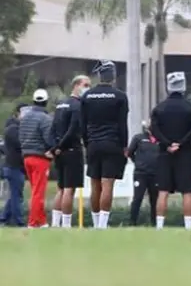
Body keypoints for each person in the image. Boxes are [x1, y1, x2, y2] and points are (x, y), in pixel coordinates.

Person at [81, 60, 129, 229]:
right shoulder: (120, 96)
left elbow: (83, 123)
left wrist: (87, 143)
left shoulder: (87, 96)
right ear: (113, 76)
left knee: (95, 184)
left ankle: (95, 224)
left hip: (93, 143)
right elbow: (123, 124)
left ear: (99, 75)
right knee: (107, 183)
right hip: (112, 143)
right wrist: (125, 145)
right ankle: (103, 225)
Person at [150, 72, 191, 230]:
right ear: (184, 86)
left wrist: (167, 144)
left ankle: (159, 225)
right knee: (187, 192)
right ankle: (187, 226)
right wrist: (181, 143)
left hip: (164, 154)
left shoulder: (159, 108)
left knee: (163, 191)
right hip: (185, 153)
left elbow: (154, 129)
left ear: (168, 86)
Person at [49, 75, 89, 228]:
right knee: (69, 189)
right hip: (71, 150)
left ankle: (54, 223)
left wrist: (54, 148)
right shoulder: (77, 105)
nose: (87, 88)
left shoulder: (60, 105)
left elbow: (52, 129)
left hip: (60, 153)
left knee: (61, 188)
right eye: (85, 85)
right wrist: (60, 146)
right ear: (76, 85)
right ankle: (65, 225)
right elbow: (73, 129)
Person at [19, 89, 56, 228]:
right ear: (45, 102)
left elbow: (20, 137)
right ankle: (33, 222)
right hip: (40, 158)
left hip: (26, 157)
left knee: (35, 190)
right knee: (38, 192)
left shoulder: (24, 118)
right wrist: (52, 150)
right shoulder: (45, 118)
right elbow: (49, 139)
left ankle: (41, 221)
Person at [126, 119, 159, 226]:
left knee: (154, 200)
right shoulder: (138, 138)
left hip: (155, 174)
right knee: (137, 198)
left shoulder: (160, 139)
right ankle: (132, 222)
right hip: (141, 174)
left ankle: (155, 224)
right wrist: (138, 163)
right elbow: (130, 152)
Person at [1, 105, 27, 227]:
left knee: (14, 195)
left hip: (15, 167)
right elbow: (20, 144)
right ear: (18, 113)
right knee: (17, 196)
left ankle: (3, 218)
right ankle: (19, 221)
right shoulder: (13, 129)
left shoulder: (16, 128)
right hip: (13, 167)